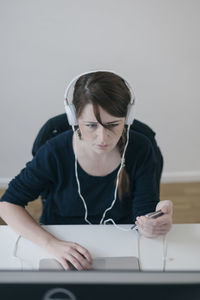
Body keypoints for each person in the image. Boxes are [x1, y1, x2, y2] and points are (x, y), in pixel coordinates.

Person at [0, 71, 173, 270]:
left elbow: (143, 217)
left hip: (121, 240)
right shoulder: (55, 151)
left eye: (113, 125)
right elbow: (8, 204)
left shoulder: (140, 148)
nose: (102, 138)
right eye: (91, 125)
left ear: (127, 118)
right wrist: (51, 244)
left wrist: (154, 224)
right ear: (74, 119)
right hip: (61, 241)